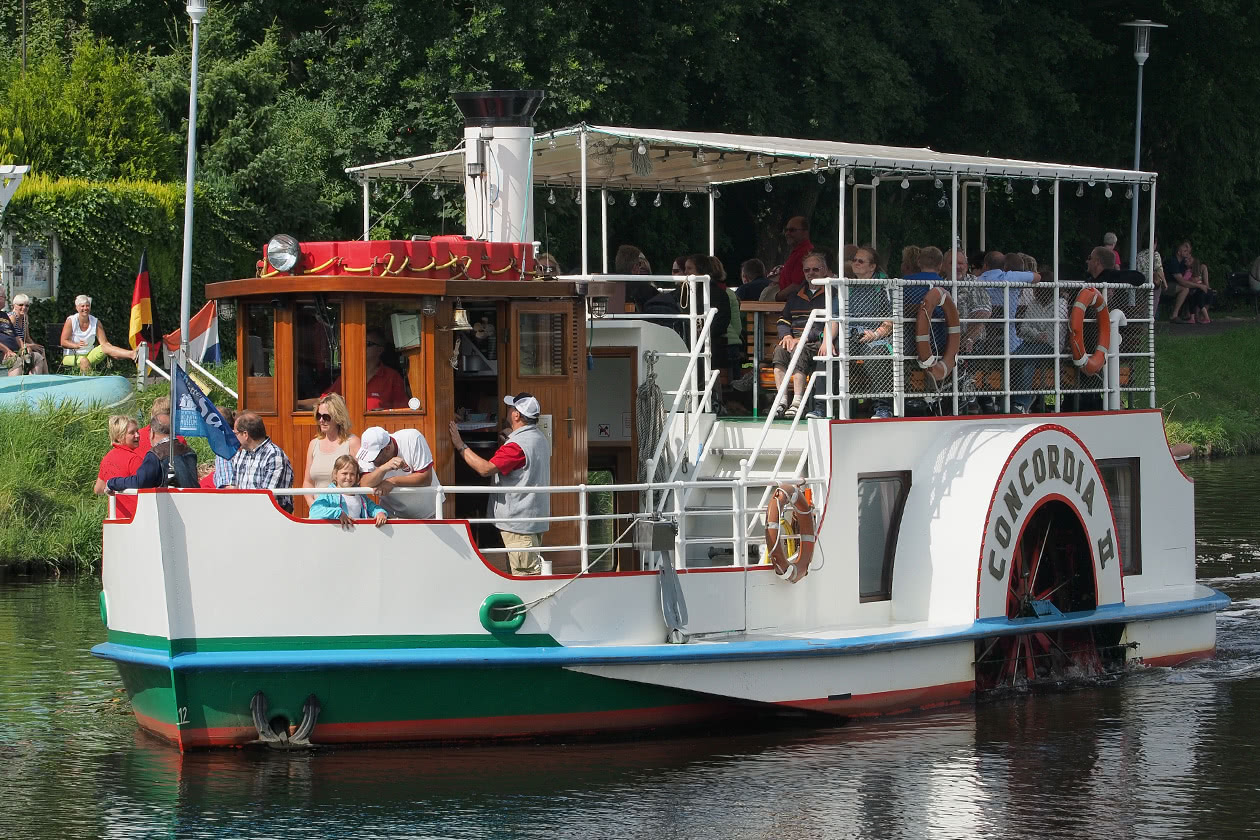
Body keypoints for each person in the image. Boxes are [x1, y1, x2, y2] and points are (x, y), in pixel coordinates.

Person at [448, 393, 551, 575]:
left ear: (517, 415)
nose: (508, 411)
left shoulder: (516, 446)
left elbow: (485, 469)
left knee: (524, 576)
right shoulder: (539, 438)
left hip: (519, 525)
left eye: (511, 408)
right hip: (531, 521)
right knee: (522, 572)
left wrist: (459, 444)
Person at [772, 252, 833, 418]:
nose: (811, 273)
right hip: (795, 341)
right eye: (807, 270)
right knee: (779, 351)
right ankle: (782, 401)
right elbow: (784, 319)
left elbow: (826, 325)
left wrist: (804, 338)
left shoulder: (832, 294)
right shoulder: (795, 296)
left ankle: (798, 402)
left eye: (815, 269)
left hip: (815, 342)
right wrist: (786, 336)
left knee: (800, 350)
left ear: (825, 270)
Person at [846, 246, 895, 418]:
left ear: (872, 266)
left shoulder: (884, 286)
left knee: (876, 355)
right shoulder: (849, 284)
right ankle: (826, 406)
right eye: (854, 260)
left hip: (876, 337)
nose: (856, 263)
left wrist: (875, 334)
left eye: (861, 261)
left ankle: (882, 407)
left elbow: (891, 320)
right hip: (851, 335)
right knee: (831, 352)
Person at [357, 425, 443, 519]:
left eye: (374, 457)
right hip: (390, 515)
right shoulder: (367, 453)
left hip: (428, 513)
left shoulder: (413, 438)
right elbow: (364, 484)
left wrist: (393, 481)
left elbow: (426, 478)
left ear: (387, 448)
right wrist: (383, 468)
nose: (371, 461)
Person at [106, 413, 199, 493]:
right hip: (193, 505)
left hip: (172, 507)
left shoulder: (156, 455)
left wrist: (112, 483)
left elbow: (140, 482)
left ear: (152, 433)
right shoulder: (189, 451)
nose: (138, 435)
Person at [322, 329, 407, 410]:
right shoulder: (349, 376)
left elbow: (402, 412)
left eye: (367, 344)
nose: (362, 347)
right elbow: (324, 401)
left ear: (380, 350)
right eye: (359, 343)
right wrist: (308, 404)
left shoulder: (392, 377)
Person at [227, 411, 295, 512]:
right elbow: (234, 487)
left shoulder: (274, 455)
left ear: (245, 434)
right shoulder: (241, 453)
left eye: (235, 433)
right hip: (244, 514)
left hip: (272, 517)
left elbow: (267, 498)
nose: (234, 437)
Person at [60, 294, 137, 373]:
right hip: (70, 356)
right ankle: (90, 384)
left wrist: (114, 353)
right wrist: (76, 345)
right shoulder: (71, 320)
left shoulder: (96, 322)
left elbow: (105, 344)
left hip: (89, 354)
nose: (85, 308)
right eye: (82, 306)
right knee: (84, 361)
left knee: (105, 347)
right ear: (77, 308)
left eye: (87, 306)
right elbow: (63, 342)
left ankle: (131, 354)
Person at [309, 454, 389, 529]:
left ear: (357, 476)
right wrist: (338, 513)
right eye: (344, 473)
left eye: (352, 474)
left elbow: (373, 508)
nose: (348, 477)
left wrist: (380, 513)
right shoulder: (329, 494)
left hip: (359, 535)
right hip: (337, 536)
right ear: (335, 474)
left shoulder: (360, 495)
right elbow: (314, 511)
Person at [302, 393, 361, 489]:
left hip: (343, 503)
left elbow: (361, 480)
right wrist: (313, 503)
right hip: (318, 503)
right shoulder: (313, 444)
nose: (321, 420)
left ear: (338, 418)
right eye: (318, 416)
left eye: (326, 417)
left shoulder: (352, 442)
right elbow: (308, 482)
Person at [95, 415, 143, 517]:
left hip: (114, 518)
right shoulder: (134, 460)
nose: (137, 435)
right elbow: (145, 488)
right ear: (119, 436)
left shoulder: (107, 458)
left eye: (137, 431)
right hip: (135, 518)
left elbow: (98, 489)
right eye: (132, 433)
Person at [1, 294, 47, 375]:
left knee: (40, 351)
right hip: (11, 349)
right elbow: (10, 338)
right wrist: (28, 346)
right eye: (21, 305)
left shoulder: (25, 318)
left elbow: (26, 337)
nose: (24, 307)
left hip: (20, 347)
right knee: (17, 360)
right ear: (14, 306)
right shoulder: (12, 317)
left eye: (27, 305)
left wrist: (31, 346)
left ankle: (39, 380)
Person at [774, 216, 814, 300]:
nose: (787, 233)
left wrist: (776, 297)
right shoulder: (797, 252)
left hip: (789, 304)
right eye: (786, 230)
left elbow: (796, 285)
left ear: (805, 232)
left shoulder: (805, 253)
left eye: (792, 230)